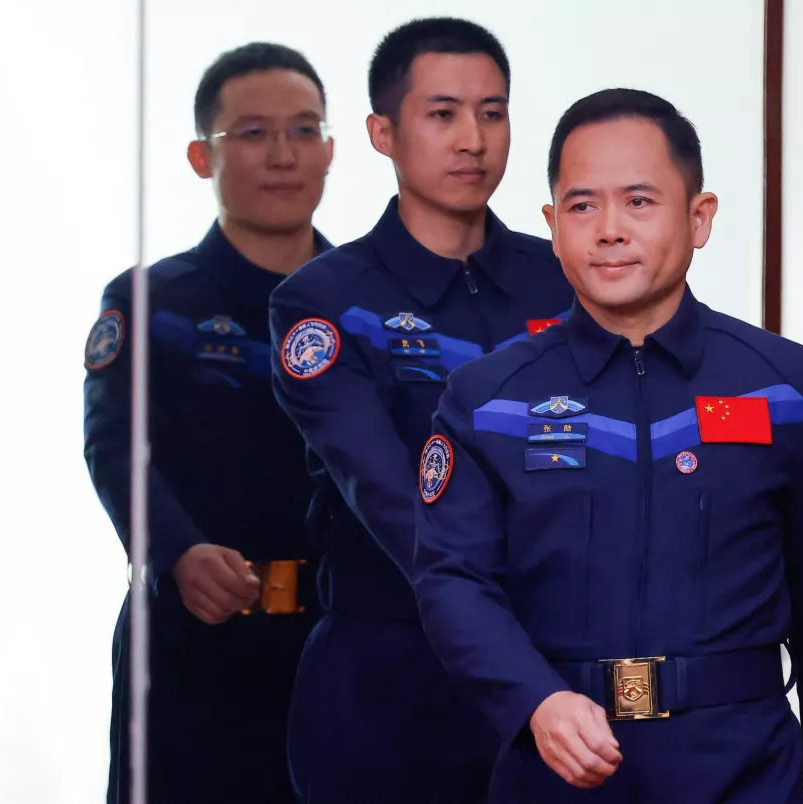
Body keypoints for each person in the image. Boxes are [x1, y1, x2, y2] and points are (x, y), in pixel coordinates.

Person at [412, 88, 803, 802]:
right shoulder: (486, 397)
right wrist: (536, 701)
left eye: (639, 201)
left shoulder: (781, 384)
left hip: (740, 769)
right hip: (557, 761)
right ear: (552, 225)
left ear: (699, 218)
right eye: (581, 205)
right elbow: (451, 582)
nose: (609, 230)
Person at [268, 17, 575, 804]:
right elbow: (391, 496)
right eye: (442, 114)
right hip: (389, 688)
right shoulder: (325, 301)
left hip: (563, 678)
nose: (473, 139)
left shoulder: (570, 282)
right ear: (382, 132)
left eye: (493, 112)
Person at [83, 42, 334, 804]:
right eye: (253, 134)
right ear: (202, 157)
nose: (283, 156)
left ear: (330, 150)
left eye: (303, 131)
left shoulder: (366, 309)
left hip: (333, 651)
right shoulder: (155, 300)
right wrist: (177, 551)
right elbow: (115, 443)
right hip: (188, 652)